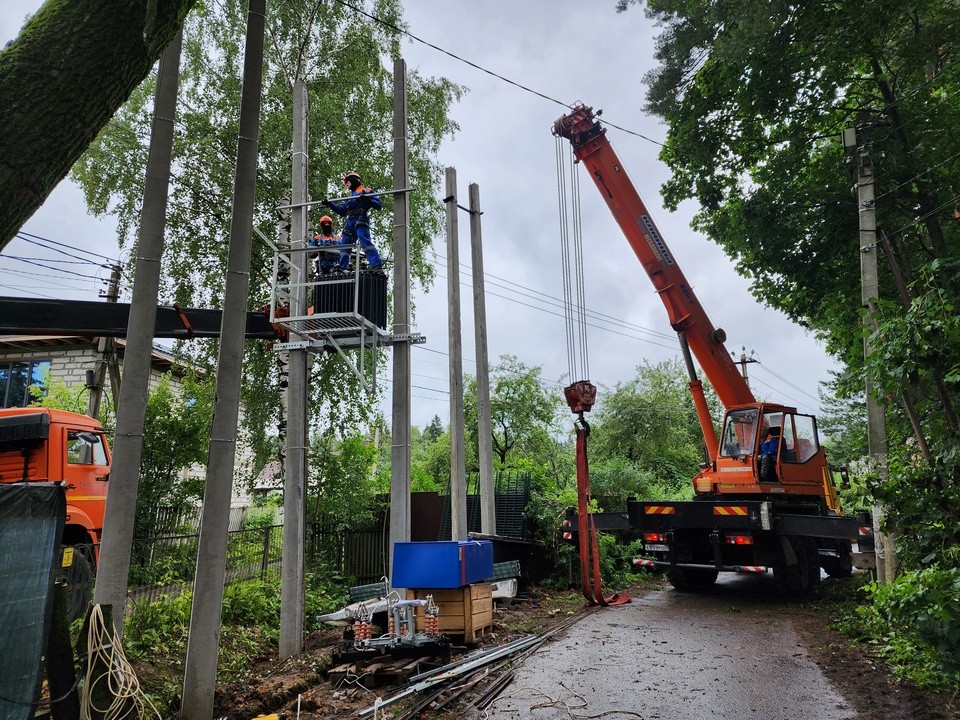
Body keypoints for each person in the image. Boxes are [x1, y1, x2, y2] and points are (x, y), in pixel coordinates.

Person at [323, 171, 384, 273]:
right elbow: (342, 211)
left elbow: (378, 205)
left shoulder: (366, 191)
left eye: (348, 182)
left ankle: (376, 266)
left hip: (360, 218)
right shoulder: (349, 197)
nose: (347, 185)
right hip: (350, 221)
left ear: (354, 180)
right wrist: (330, 204)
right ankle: (341, 269)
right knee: (344, 246)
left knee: (365, 242)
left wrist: (367, 200)